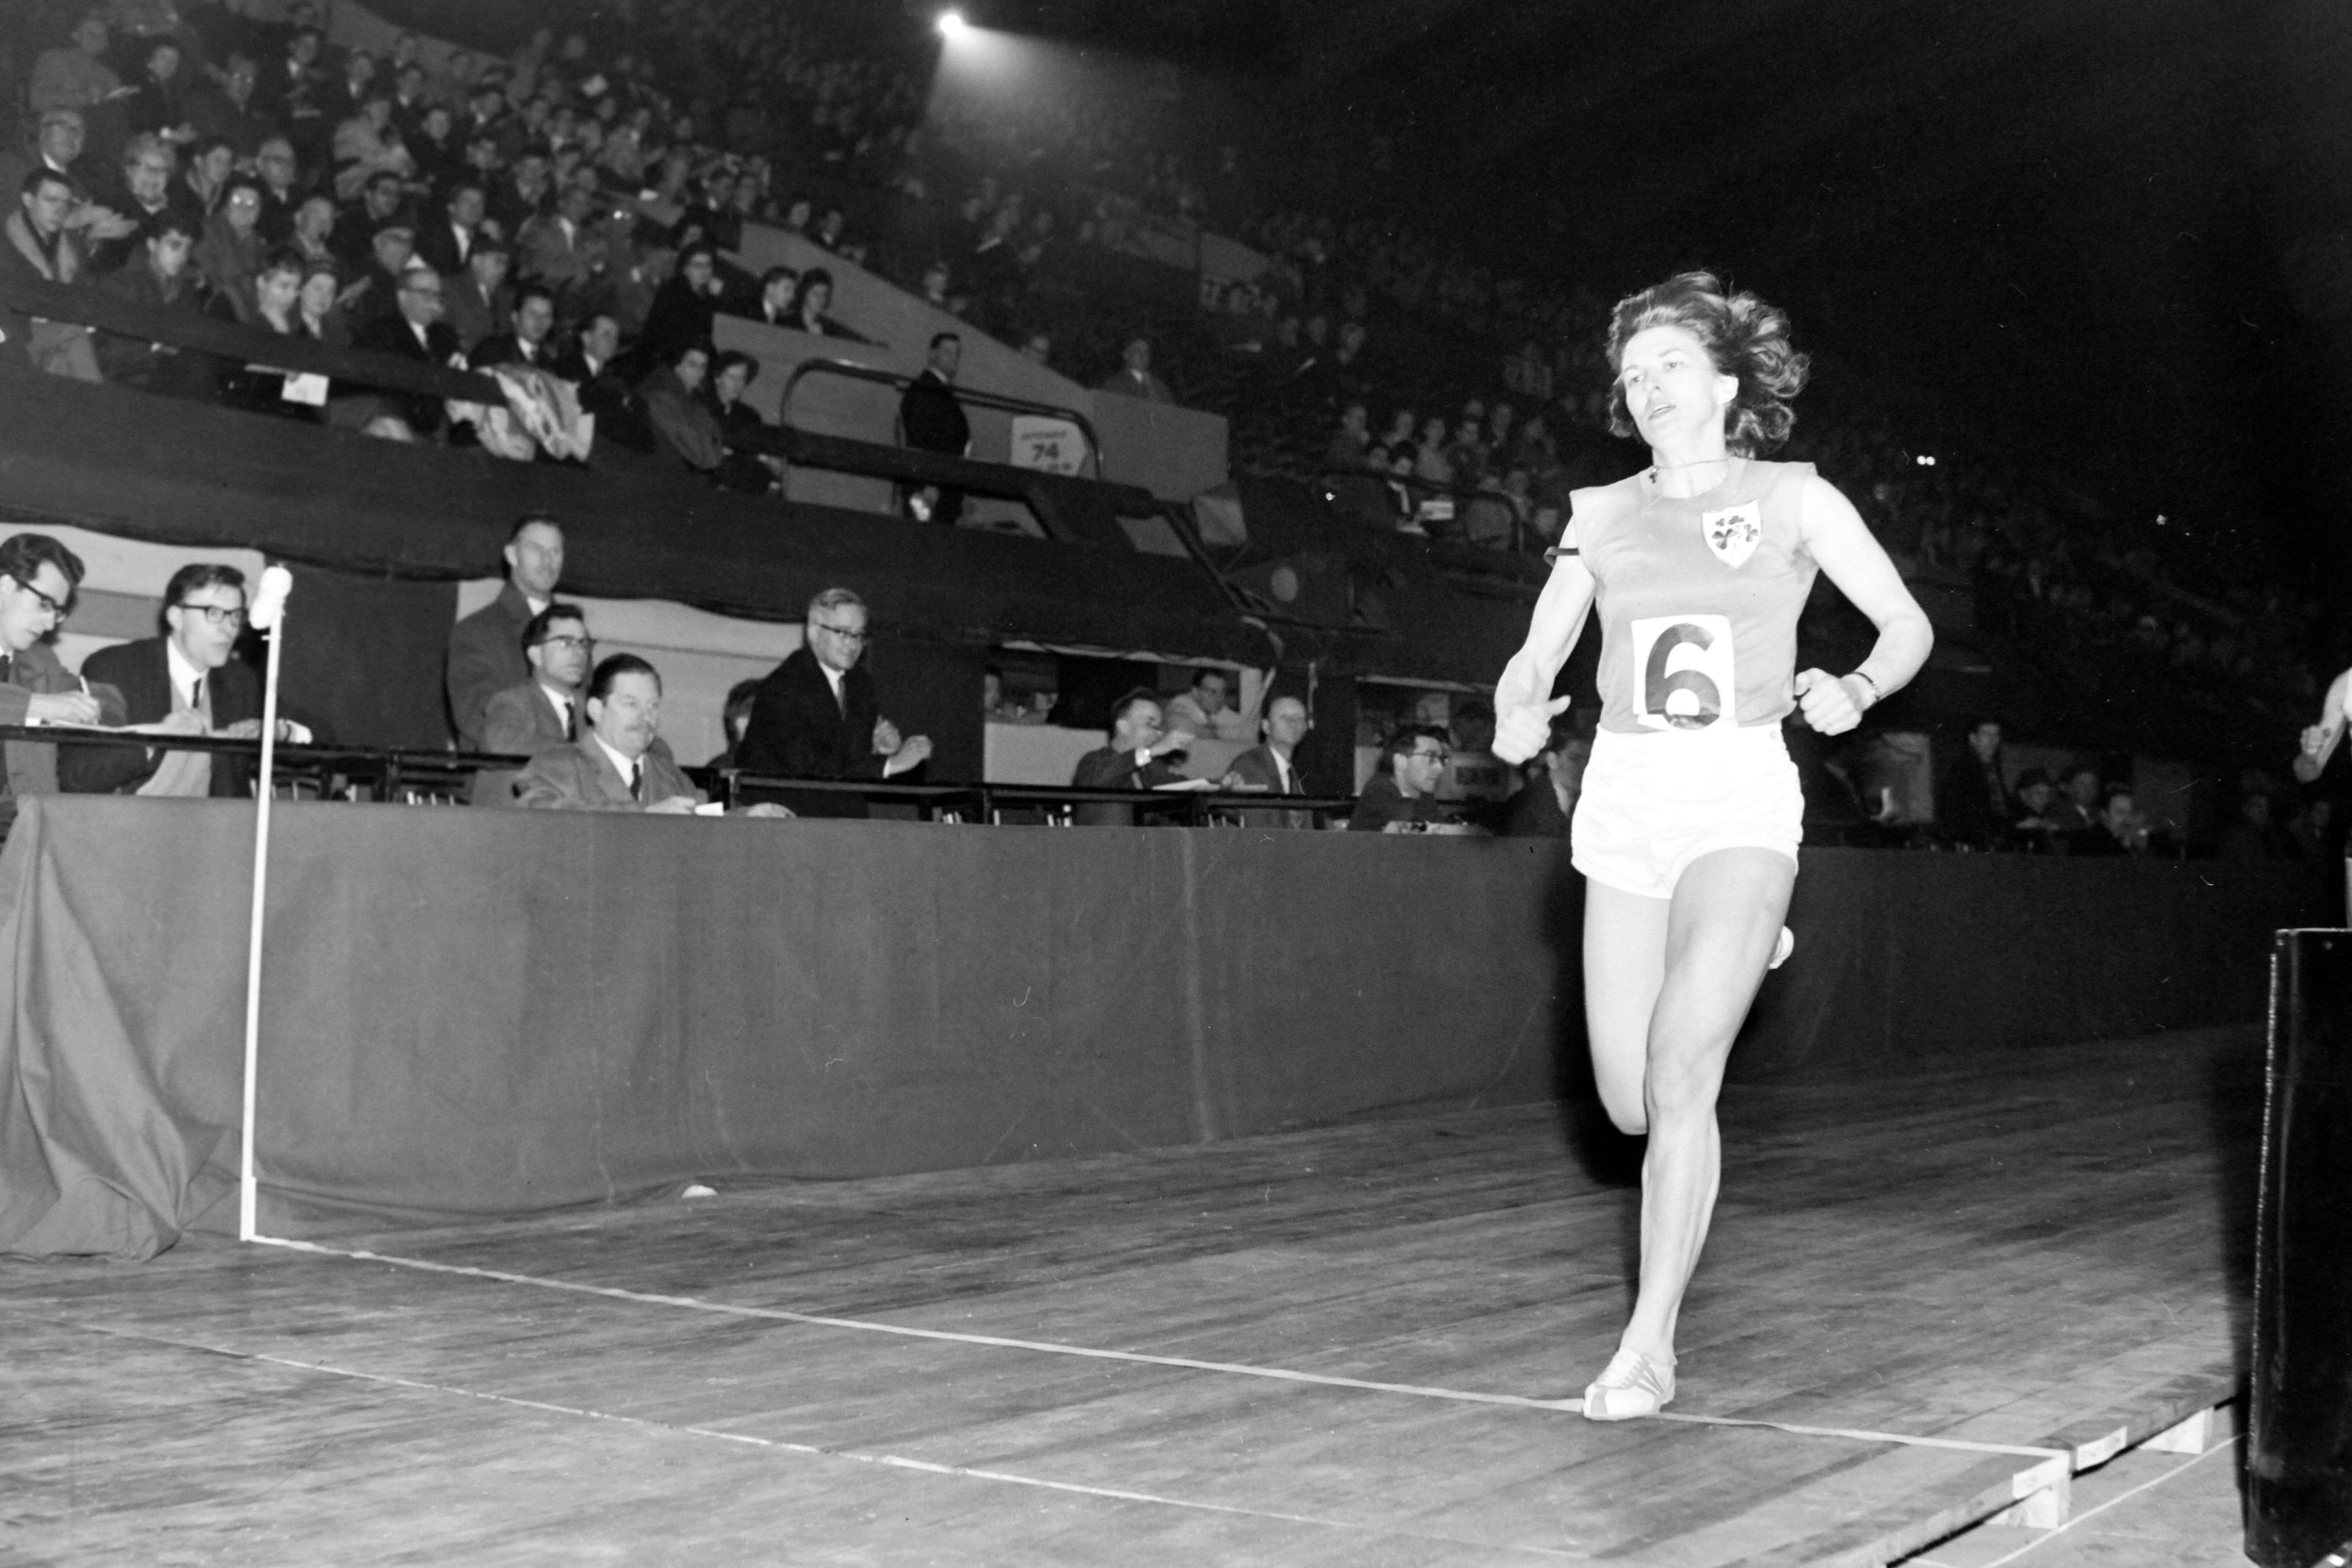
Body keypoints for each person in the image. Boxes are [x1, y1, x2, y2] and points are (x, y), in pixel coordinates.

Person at [1488, 271, 1932, 1419]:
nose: (1647, 386)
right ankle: (1741, 936)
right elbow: (1538, 649)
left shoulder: (1793, 496)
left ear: (1727, 383)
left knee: (1684, 1071)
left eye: (1671, 364)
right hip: (1626, 799)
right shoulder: (1598, 513)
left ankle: (1647, 1345)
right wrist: (1517, 702)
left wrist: (1858, 685)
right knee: (1630, 1103)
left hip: (1736, 793)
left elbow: (1905, 622)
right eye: (1632, 374)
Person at [60, 564, 306, 798]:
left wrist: (279, 731)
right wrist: (159, 736)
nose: (229, 629)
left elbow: (317, 733)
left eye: (236, 616)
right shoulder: (115, 668)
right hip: (128, 821)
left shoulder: (239, 680)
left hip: (214, 823)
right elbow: (79, 776)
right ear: (176, 617)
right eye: (214, 614)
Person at [733, 588, 931, 818]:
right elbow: (811, 765)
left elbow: (846, 753)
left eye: (859, 635)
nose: (853, 644)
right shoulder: (785, 685)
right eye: (843, 633)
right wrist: (890, 764)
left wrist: (877, 748)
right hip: (790, 818)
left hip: (842, 816)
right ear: (814, 632)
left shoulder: (860, 683)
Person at [516, 654, 788, 815]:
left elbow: (706, 818)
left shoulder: (670, 776)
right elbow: (544, 816)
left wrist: (747, 816)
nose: (646, 717)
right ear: (596, 710)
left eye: (653, 706)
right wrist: (645, 815)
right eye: (631, 704)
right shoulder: (555, 766)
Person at [0, 534, 113, 842]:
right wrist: (37, 705)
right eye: (44, 604)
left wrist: (84, 706)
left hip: (22, 835)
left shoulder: (40, 660)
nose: (50, 624)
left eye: (58, 611)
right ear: (6, 586)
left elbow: (112, 704)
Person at [447, 515, 563, 749]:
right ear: (512, 555)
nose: (547, 560)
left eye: (555, 551)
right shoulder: (477, 631)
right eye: (537, 549)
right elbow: (477, 719)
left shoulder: (575, 635)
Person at [470, 602, 591, 804]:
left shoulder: (593, 709)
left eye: (583, 644)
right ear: (536, 655)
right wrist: (580, 751)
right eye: (566, 643)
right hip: (512, 817)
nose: (579, 652)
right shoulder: (512, 702)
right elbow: (497, 745)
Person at [1071, 688, 1194, 826]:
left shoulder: (1153, 768)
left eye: (1159, 728)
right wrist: (1151, 752)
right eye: (1149, 724)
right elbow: (1101, 779)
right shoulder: (1093, 761)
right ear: (1123, 727)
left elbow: (1181, 787)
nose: (1159, 734)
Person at [898, 331, 969, 525]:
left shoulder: (935, 389)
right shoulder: (928, 390)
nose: (954, 359)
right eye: (948, 352)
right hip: (932, 489)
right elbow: (924, 438)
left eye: (957, 354)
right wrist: (931, 482)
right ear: (932, 354)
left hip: (937, 485)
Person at [1349, 725, 1470, 833]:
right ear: (1401, 760)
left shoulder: (1424, 796)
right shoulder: (1379, 791)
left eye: (1442, 759)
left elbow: (1442, 830)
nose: (1440, 768)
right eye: (1431, 757)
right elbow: (1406, 831)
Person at [1226, 694, 1314, 829]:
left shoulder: (1292, 773)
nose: (1293, 723)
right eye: (1284, 717)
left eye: (1299, 718)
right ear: (1266, 726)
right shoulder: (1249, 765)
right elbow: (1254, 824)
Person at [1936, 718, 2011, 848]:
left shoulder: (1995, 771)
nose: (1993, 740)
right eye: (1987, 734)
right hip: (1973, 845)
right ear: (1973, 738)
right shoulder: (1962, 771)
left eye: (1996, 735)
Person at [1502, 728, 1588, 839]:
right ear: (1552, 760)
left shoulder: (1586, 804)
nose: (1584, 767)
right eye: (1574, 759)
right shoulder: (1527, 803)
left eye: (1588, 761)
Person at [1162, 667, 1252, 740]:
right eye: (1213, 692)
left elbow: (1247, 731)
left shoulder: (1218, 709)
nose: (1220, 698)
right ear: (1196, 692)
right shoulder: (1182, 704)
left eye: (1223, 692)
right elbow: (1179, 727)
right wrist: (1213, 733)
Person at [1098, 336, 1173, 403]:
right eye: (1138, 351)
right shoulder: (1115, 384)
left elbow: (1169, 410)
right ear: (1126, 355)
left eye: (1146, 352)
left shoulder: (1159, 386)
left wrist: (1152, 390)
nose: (1143, 356)